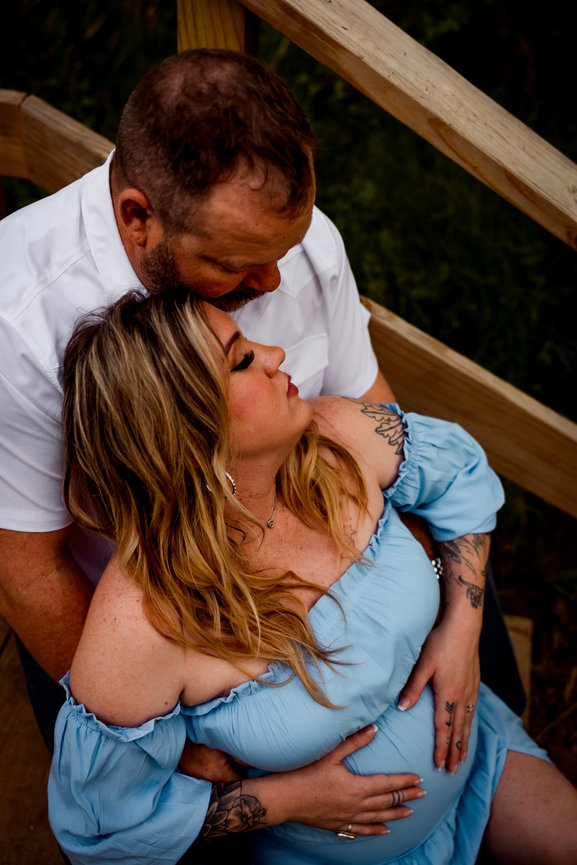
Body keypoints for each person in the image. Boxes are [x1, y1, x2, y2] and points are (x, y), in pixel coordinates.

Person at [0, 47, 520, 775]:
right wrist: (182, 753)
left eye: (287, 246)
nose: (273, 278)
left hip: (328, 554)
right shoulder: (17, 317)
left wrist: (443, 615)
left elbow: (386, 427)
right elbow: (29, 569)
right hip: (162, 637)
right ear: (138, 218)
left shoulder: (291, 248)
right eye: (238, 264)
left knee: (484, 693)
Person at [48, 288, 577, 865]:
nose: (274, 353)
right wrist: (290, 800)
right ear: (189, 429)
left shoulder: (336, 437)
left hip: (482, 762)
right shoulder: (143, 620)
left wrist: (463, 627)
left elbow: (458, 475)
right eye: (243, 359)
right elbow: (105, 832)